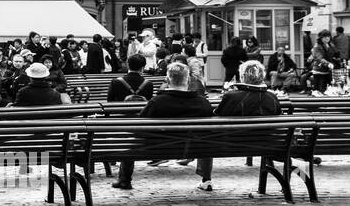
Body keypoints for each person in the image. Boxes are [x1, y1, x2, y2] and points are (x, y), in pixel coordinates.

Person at [111, 62, 213, 190]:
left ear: (168, 79)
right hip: (195, 147)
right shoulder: (202, 102)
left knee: (130, 142)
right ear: (187, 79)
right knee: (207, 140)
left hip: (158, 148)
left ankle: (124, 180)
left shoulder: (157, 102)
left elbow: (139, 128)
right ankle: (206, 179)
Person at [194, 61, 282, 191]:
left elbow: (216, 117)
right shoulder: (272, 97)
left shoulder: (232, 96)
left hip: (230, 143)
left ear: (243, 76)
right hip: (267, 143)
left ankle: (206, 179)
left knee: (205, 135)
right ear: (262, 76)